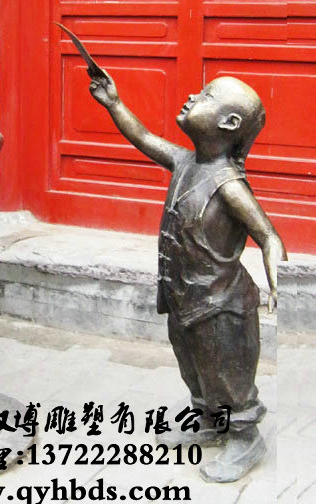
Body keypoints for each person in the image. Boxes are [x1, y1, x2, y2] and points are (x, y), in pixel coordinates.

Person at [88, 72, 287, 482]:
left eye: (207, 95)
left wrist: (277, 280)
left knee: (225, 373)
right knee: (193, 365)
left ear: (229, 123)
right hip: (182, 295)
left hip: (220, 305)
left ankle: (245, 437)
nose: (193, 95)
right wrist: (114, 103)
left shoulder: (229, 185)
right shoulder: (185, 162)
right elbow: (143, 137)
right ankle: (209, 419)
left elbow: (268, 235)